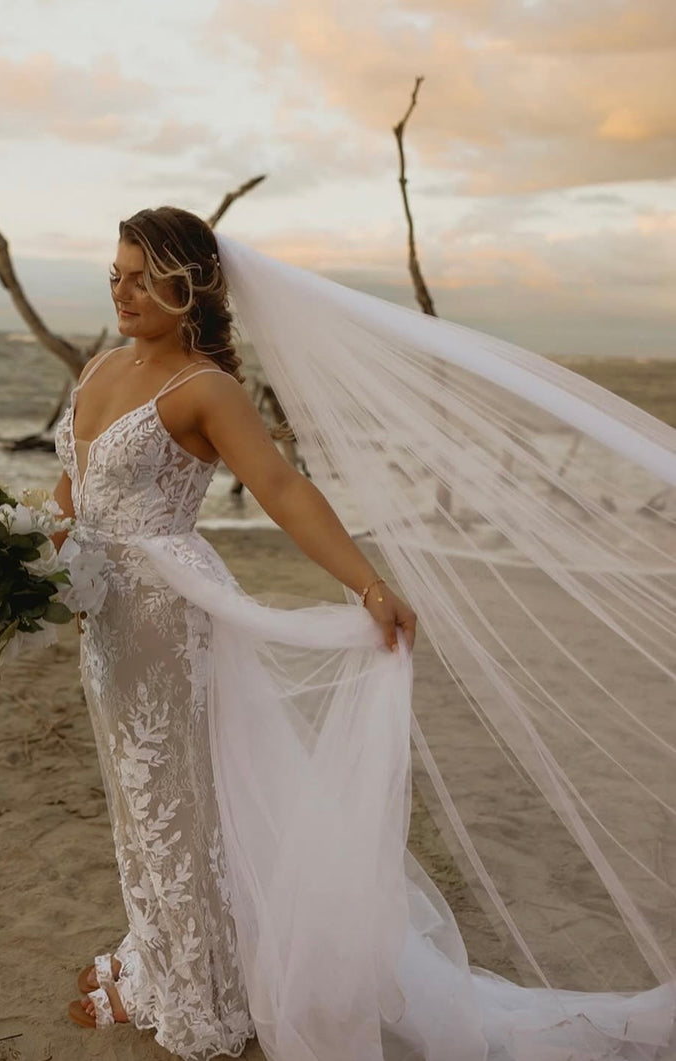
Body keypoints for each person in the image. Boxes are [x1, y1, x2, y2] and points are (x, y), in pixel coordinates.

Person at [52, 207, 676, 1060]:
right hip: (105, 622)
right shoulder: (97, 367)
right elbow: (74, 489)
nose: (120, 290)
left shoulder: (203, 388)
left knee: (180, 805)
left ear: (188, 287)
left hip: (170, 619)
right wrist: (27, 553)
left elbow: (282, 487)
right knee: (136, 800)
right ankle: (160, 952)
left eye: (138, 275)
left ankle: (195, 989)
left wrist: (370, 583)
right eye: (115, 272)